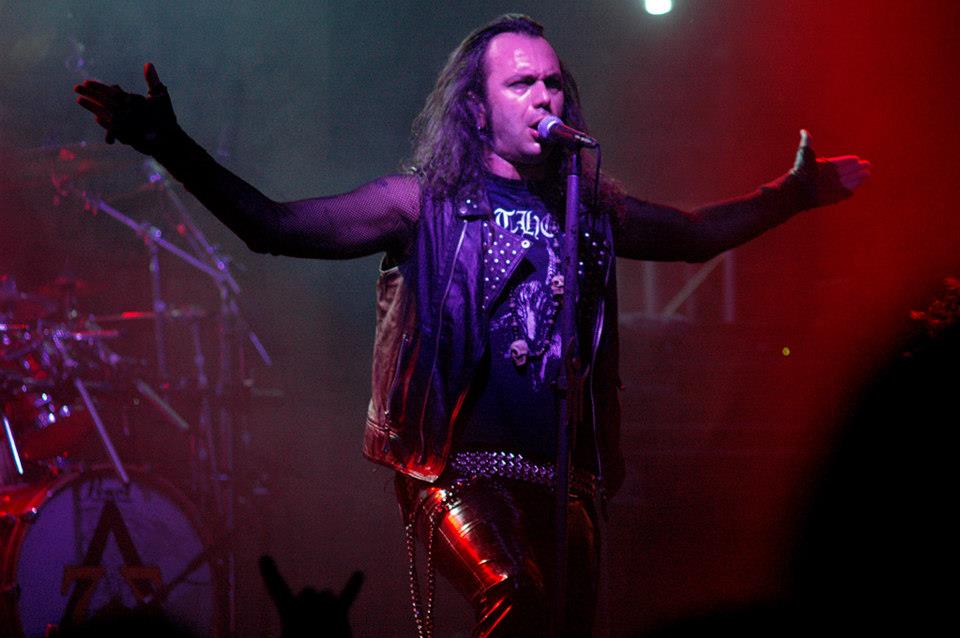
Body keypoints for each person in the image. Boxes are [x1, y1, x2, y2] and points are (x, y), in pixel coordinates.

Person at [74, 14, 869, 637]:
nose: (545, 98)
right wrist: (169, 145)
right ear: (477, 110)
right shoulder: (423, 205)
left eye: (553, 84)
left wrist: (791, 194)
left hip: (565, 479)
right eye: (522, 84)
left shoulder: (589, 209)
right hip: (457, 470)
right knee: (515, 594)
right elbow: (273, 226)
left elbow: (692, 235)